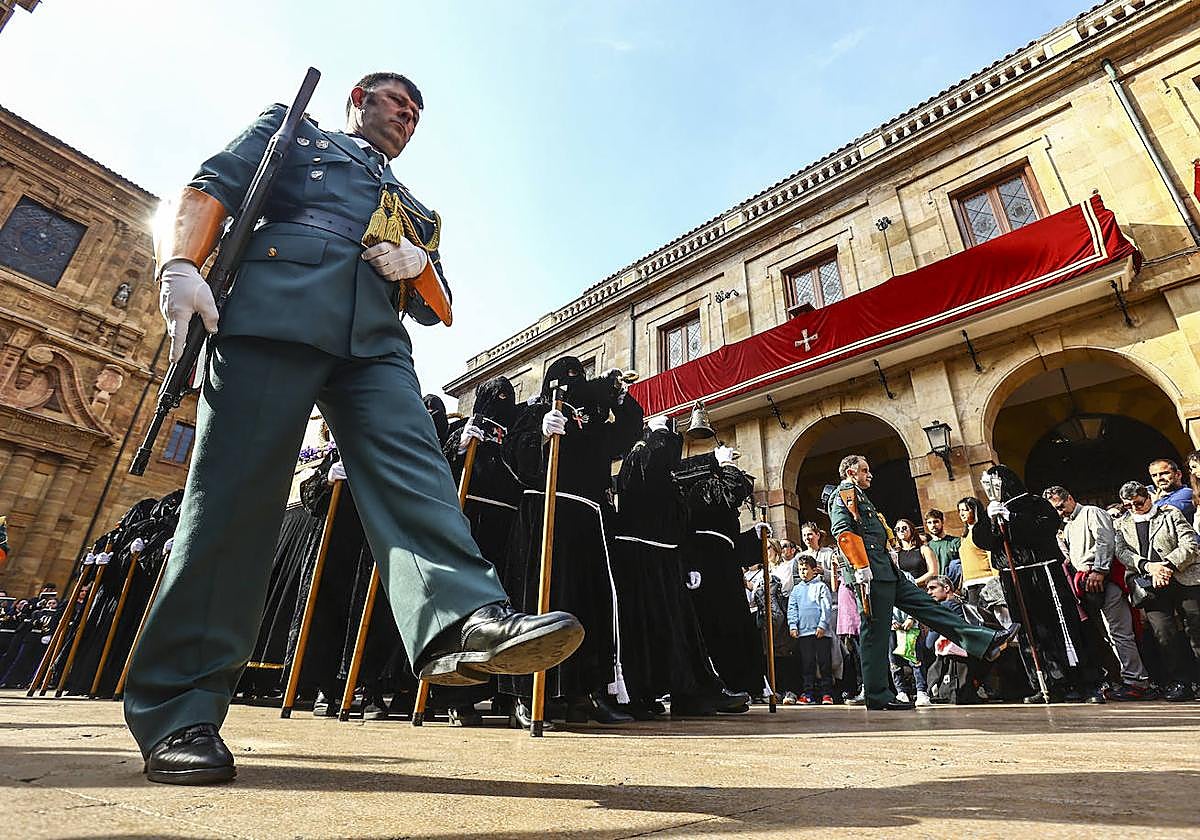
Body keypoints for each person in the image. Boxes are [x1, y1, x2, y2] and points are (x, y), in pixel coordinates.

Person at [127, 72, 582, 784]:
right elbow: (211, 184)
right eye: (397, 103)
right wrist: (180, 263)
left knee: (419, 475)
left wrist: (421, 265)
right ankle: (180, 710)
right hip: (275, 307)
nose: (407, 118)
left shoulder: (417, 208)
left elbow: (442, 309)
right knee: (233, 501)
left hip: (374, 339)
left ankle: (462, 621)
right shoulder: (294, 129)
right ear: (359, 98)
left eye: (417, 114)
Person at [500, 358, 642, 726]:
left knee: (588, 604)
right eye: (567, 377)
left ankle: (584, 693)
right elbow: (515, 457)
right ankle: (526, 695)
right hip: (544, 515)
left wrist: (621, 400)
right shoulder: (534, 413)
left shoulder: (593, 420)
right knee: (536, 602)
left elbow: (625, 436)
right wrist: (542, 436)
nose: (574, 382)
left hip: (587, 520)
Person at [828, 455, 1018, 711]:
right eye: (865, 470)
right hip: (871, 574)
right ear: (851, 472)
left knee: (930, 607)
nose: (870, 474)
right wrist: (861, 568)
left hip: (888, 571)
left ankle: (985, 641)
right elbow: (844, 533)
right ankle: (877, 695)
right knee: (875, 633)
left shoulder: (860, 495)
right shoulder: (844, 495)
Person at [610, 415, 750, 717]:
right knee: (644, 632)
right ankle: (640, 694)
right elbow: (657, 463)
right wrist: (660, 432)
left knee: (680, 631)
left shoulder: (665, 471)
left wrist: (716, 459)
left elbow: (681, 488)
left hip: (668, 559)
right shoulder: (638, 459)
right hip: (639, 561)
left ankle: (691, 691)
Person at [975, 466, 1104, 704]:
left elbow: (1047, 526)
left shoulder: (1034, 503)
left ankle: (1082, 681)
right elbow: (985, 541)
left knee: (1060, 625)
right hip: (1014, 578)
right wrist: (989, 520)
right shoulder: (990, 510)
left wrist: (1013, 518)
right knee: (1029, 631)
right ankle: (1046, 682)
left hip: (1042, 572)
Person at [1043, 485, 1152, 700]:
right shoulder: (1069, 524)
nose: (1060, 512)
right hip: (1086, 581)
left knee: (1120, 632)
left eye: (1061, 506)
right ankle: (1127, 678)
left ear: (1070, 498)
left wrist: (1100, 571)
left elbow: (1105, 542)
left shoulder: (1091, 513)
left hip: (1103, 579)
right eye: (1055, 509)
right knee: (1110, 635)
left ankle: (1137, 681)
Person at [1113, 481, 1200, 701]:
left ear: (1148, 498)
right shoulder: (1122, 523)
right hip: (1148, 583)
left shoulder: (1170, 513)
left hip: (1182, 577)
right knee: (1164, 633)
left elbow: (1190, 544)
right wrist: (1147, 566)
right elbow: (1122, 552)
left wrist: (1167, 566)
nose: (1134, 508)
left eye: (1138, 503)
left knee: (1195, 626)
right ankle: (1180, 681)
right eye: (1128, 505)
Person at [787, 556, 834, 704]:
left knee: (824, 663)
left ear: (814, 570)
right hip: (804, 633)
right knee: (807, 664)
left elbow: (826, 607)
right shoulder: (796, 590)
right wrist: (793, 625)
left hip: (821, 633)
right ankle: (808, 694)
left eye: (805, 569)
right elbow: (792, 608)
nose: (803, 572)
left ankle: (827, 694)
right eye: (800, 569)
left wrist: (822, 625)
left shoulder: (821, 586)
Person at [893, 519, 938, 588]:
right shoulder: (896, 554)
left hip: (924, 589)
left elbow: (933, 572)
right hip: (906, 590)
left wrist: (914, 582)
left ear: (911, 530)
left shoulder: (924, 549)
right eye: (897, 529)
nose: (901, 531)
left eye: (904, 528)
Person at [924, 509, 961, 582]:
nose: (933, 525)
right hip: (935, 585)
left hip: (954, 584)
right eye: (929, 523)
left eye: (936, 522)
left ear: (942, 521)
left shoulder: (955, 542)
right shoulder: (926, 547)